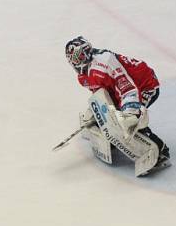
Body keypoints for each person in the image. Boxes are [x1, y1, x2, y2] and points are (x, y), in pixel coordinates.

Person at [65, 36, 170, 170]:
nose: (76, 62)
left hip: (144, 85)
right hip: (121, 88)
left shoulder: (105, 62)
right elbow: (103, 90)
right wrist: (96, 108)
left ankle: (160, 152)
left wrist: (130, 111)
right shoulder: (83, 75)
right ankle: (115, 139)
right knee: (111, 118)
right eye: (73, 59)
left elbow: (127, 87)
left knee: (130, 122)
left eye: (79, 56)